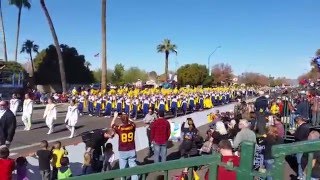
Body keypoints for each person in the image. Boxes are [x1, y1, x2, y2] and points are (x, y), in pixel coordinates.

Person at [111, 112, 138, 180]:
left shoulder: (120, 128)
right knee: (133, 169)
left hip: (123, 150)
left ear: (121, 120)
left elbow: (112, 125)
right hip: (131, 149)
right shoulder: (132, 126)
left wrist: (114, 117)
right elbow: (134, 123)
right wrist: (128, 118)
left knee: (123, 169)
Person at [294, 116, 311, 180]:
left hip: (300, 146)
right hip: (303, 146)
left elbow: (299, 137)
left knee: (299, 162)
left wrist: (294, 134)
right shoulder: (306, 126)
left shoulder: (303, 127)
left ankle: (301, 176)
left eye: (296, 122)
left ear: (298, 120)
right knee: (301, 161)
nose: (296, 123)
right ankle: (301, 175)